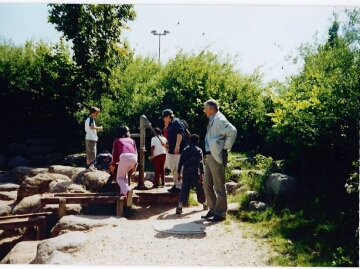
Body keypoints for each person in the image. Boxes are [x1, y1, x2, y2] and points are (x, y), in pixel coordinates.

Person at [202, 99, 237, 222]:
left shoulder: (219, 119)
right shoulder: (213, 120)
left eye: (205, 108)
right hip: (210, 156)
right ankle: (213, 209)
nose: (204, 110)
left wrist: (224, 148)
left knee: (219, 186)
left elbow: (232, 131)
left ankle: (221, 213)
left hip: (217, 156)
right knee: (206, 184)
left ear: (211, 108)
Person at [175, 134, 207, 214]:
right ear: (197, 142)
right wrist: (201, 175)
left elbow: (180, 161)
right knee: (199, 188)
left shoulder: (185, 149)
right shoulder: (198, 150)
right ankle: (204, 204)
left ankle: (180, 206)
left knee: (184, 189)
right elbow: (200, 163)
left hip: (186, 173)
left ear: (189, 141)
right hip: (195, 173)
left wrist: (179, 173)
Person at [160, 109, 188, 193]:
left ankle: (179, 186)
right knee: (174, 168)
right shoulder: (170, 124)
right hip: (172, 150)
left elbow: (179, 134)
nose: (163, 119)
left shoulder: (176, 122)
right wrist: (167, 145)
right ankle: (176, 185)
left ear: (168, 116)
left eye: (164, 117)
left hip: (178, 151)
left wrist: (177, 146)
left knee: (178, 168)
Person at [109, 126, 137, 206]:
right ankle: (123, 193)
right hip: (134, 158)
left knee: (119, 178)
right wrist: (135, 165)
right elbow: (135, 153)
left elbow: (115, 155)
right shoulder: (132, 140)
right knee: (124, 175)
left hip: (124, 157)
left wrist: (113, 165)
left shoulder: (117, 141)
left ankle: (128, 191)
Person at [85, 107, 103, 171]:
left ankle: (88, 166)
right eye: (96, 113)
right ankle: (91, 166)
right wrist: (99, 128)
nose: (97, 115)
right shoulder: (91, 119)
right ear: (92, 113)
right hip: (91, 138)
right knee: (92, 152)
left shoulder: (88, 119)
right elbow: (91, 127)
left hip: (89, 137)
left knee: (89, 152)